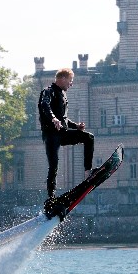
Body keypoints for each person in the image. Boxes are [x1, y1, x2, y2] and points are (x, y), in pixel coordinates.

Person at [39, 68, 95, 199]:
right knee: (54, 166)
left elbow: (63, 119)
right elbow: (45, 106)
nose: (71, 84)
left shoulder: (63, 95)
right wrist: (53, 118)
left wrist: (76, 126)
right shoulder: (48, 92)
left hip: (62, 133)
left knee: (89, 137)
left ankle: (88, 172)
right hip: (51, 136)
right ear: (62, 78)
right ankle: (51, 198)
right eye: (70, 81)